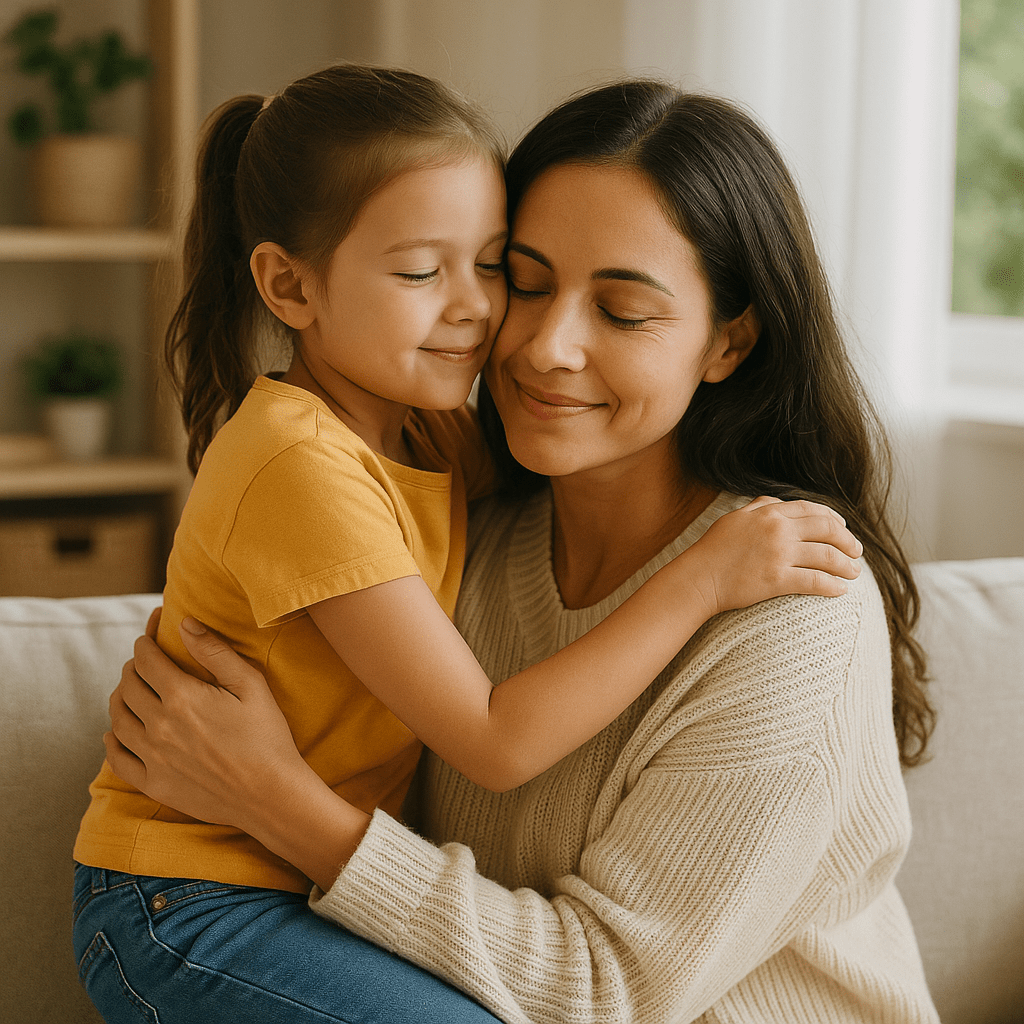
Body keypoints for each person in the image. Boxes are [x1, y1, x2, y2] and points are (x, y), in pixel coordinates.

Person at [89, 80, 939, 1024]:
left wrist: (280, 803)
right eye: (527, 281)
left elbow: (600, 993)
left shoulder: (791, 611)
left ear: (728, 342)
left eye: (622, 311)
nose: (541, 345)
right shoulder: (463, 528)